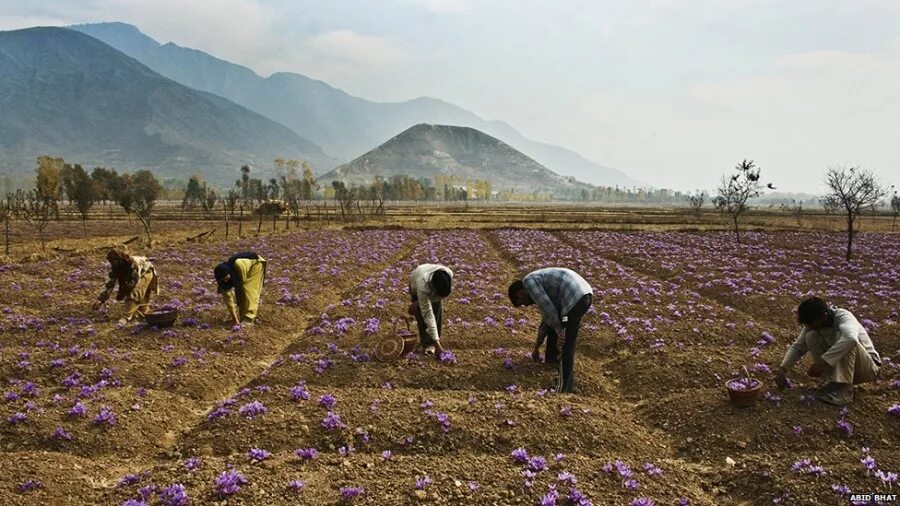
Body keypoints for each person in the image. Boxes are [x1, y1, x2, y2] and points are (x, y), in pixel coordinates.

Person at [774, 296, 881, 405]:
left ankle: (845, 390)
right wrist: (783, 369)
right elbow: (798, 347)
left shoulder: (843, 317)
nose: (808, 327)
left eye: (811, 324)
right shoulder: (814, 323)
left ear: (823, 317)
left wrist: (822, 363)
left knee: (845, 339)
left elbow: (851, 339)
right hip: (850, 368)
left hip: (868, 368)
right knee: (811, 336)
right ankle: (836, 382)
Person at [508, 268, 593, 393]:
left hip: (575, 296)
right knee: (554, 325)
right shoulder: (538, 283)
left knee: (565, 342)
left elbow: (549, 310)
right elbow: (547, 320)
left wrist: (560, 331)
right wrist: (537, 347)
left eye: (521, 303)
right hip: (582, 293)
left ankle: (564, 388)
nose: (525, 306)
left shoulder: (529, 282)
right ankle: (551, 363)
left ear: (520, 294)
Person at [93, 245, 158, 325]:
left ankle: (126, 317)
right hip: (138, 274)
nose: (113, 263)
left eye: (114, 261)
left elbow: (134, 281)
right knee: (141, 301)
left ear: (120, 259)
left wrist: (125, 290)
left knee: (135, 293)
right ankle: (144, 315)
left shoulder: (131, 264)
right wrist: (101, 299)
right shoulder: (115, 267)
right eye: (112, 262)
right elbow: (109, 283)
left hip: (146, 271)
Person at [408, 264, 453, 356]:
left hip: (432, 286)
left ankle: (432, 342)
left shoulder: (448, 273)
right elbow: (428, 314)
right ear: (433, 287)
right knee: (422, 315)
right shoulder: (422, 285)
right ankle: (427, 343)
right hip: (416, 286)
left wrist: (437, 343)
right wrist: (438, 344)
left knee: (437, 311)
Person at [214, 251, 267, 326]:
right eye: (223, 280)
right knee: (241, 292)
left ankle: (249, 318)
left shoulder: (238, 265)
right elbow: (228, 299)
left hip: (256, 265)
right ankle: (242, 318)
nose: (226, 281)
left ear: (229, 273)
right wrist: (234, 318)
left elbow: (243, 286)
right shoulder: (222, 279)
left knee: (249, 291)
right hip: (241, 271)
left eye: (227, 278)